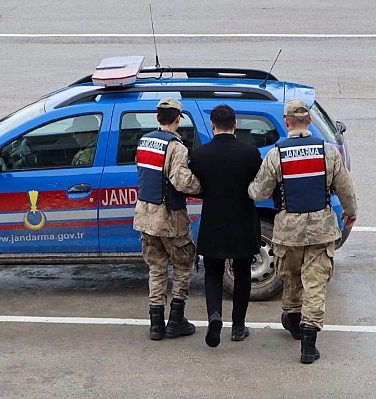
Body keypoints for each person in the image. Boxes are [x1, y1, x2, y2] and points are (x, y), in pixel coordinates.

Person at [248, 98, 357, 363]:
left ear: (286, 123)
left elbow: (258, 192)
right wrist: (350, 213)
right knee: (316, 284)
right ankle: (309, 345)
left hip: (288, 232)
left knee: (292, 278)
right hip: (322, 230)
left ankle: (293, 319)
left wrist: (249, 186)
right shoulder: (328, 152)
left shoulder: (276, 154)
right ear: (309, 121)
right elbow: (345, 188)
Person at [189, 104, 263, 347]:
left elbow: (195, 184)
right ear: (235, 125)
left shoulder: (200, 155)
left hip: (213, 224)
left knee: (213, 274)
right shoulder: (250, 153)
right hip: (243, 222)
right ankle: (239, 327)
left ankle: (214, 317)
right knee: (242, 275)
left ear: (212, 126)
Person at [134, 97, 202, 341]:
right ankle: (176, 319)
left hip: (144, 215)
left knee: (156, 268)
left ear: (156, 118)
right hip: (170, 217)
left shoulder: (144, 142)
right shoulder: (177, 147)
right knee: (183, 265)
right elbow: (181, 181)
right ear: (177, 120)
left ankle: (155, 324)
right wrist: (202, 187)